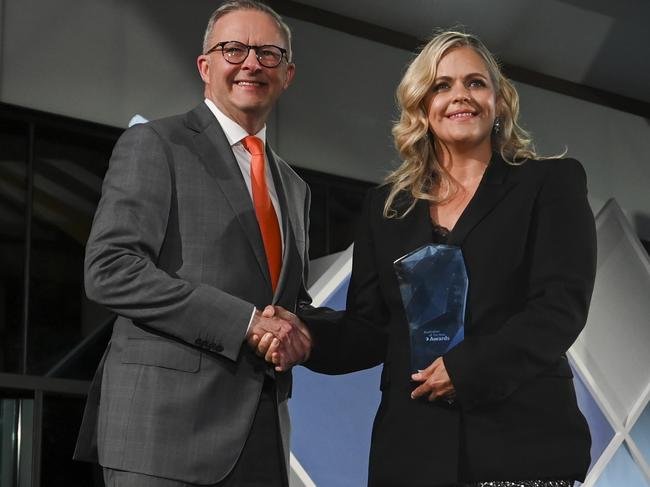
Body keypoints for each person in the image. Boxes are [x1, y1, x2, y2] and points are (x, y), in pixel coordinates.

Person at [260, 30, 597, 487]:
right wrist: (308, 336)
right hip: (411, 453)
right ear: (421, 105)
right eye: (442, 85)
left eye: (475, 83)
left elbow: (559, 309)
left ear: (499, 101)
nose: (461, 95)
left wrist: (467, 369)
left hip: (522, 445)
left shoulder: (550, 183)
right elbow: (370, 329)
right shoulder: (387, 208)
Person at [73, 1, 312, 486]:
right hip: (162, 437)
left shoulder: (294, 187)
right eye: (233, 49)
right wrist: (244, 323)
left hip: (263, 437)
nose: (251, 63)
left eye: (268, 53)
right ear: (205, 66)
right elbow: (111, 268)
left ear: (287, 74)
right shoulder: (156, 144)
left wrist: (307, 332)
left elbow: (287, 307)